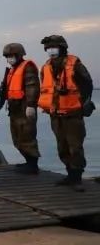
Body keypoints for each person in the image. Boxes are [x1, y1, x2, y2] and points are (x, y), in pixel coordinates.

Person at [38, 34, 94, 189]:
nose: (50, 50)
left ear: (62, 47)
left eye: (53, 47)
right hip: (55, 114)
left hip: (73, 114)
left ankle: (77, 178)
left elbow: (87, 84)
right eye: (48, 48)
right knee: (61, 146)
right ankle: (69, 175)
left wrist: (85, 103)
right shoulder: (46, 67)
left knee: (75, 146)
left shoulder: (74, 64)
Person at [0, 42, 41, 174]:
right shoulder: (12, 70)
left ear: (18, 55)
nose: (9, 58)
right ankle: (28, 161)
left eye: (11, 56)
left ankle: (33, 165)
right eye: (7, 56)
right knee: (17, 136)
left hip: (24, 108)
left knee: (27, 135)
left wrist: (31, 105)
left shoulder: (27, 67)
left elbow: (32, 86)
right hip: (15, 108)